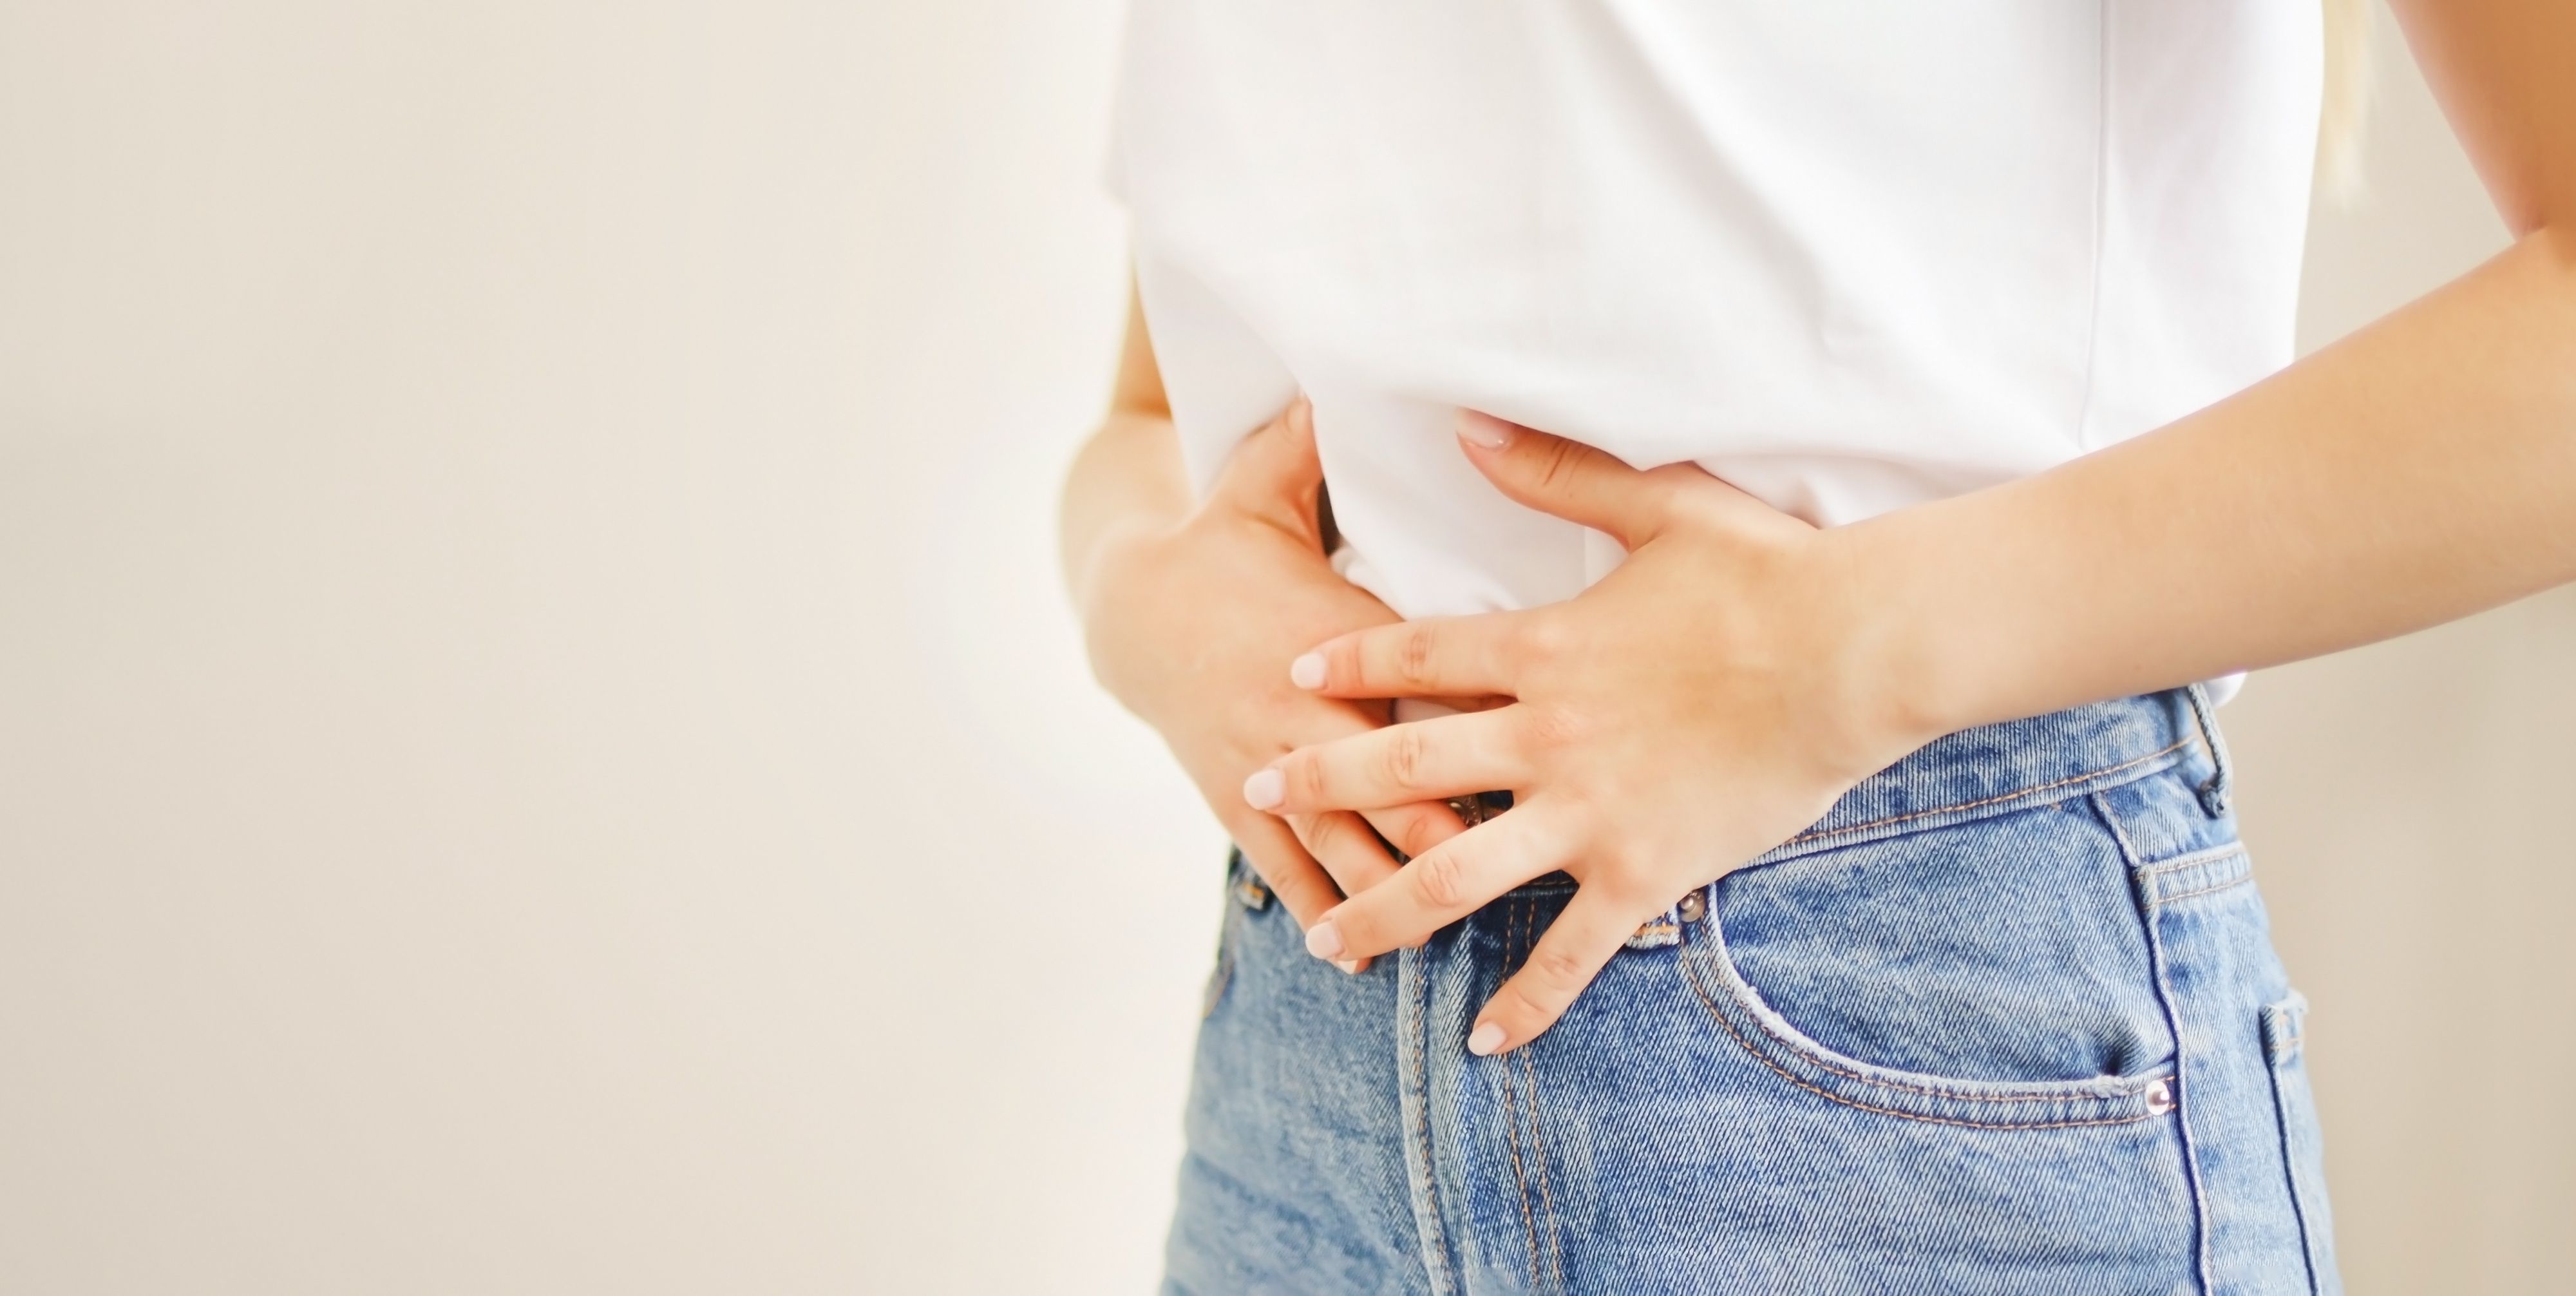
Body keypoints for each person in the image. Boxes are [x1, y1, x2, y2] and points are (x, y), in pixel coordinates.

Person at [1060, 3, 2573, 1291]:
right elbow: (1161, 408)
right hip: (1307, 1051)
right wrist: (1141, 595)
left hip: (1905, 1011)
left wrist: (1837, 652)